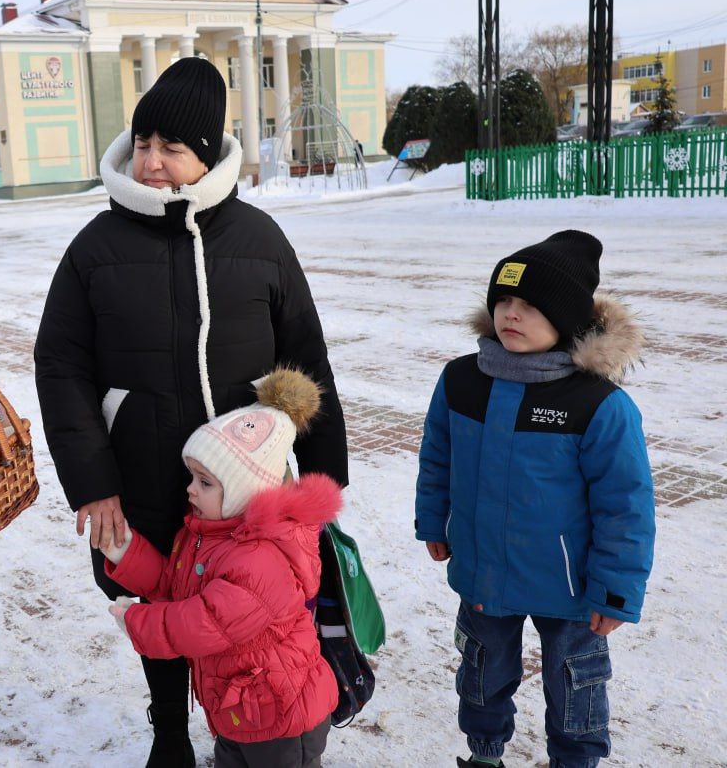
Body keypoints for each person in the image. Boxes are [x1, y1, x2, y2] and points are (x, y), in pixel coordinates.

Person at [35, 57, 348, 766]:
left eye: (169, 147)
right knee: (165, 605)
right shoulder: (95, 249)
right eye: (143, 143)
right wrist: (91, 480)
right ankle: (171, 732)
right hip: (140, 478)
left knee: (245, 615)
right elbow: (61, 368)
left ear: (204, 154)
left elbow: (306, 358)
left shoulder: (259, 241)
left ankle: (256, 728)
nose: (150, 162)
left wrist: (325, 475)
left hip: (246, 491)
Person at [415, 230, 655, 768]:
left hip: (570, 587)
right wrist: (434, 521)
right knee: (481, 671)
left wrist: (616, 590)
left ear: (566, 320)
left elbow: (626, 504)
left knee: (575, 685)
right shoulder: (462, 380)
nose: (511, 314)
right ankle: (483, 753)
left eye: (529, 305)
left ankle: (575, 760)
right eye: (503, 301)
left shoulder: (598, 403)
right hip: (485, 572)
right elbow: (438, 457)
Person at [99, 368, 341, 768]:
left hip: (282, 721)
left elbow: (204, 621)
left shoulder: (261, 559)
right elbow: (174, 584)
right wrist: (127, 553)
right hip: (241, 711)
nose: (190, 489)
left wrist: (139, 622)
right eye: (193, 477)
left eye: (205, 482)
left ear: (246, 492)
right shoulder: (210, 536)